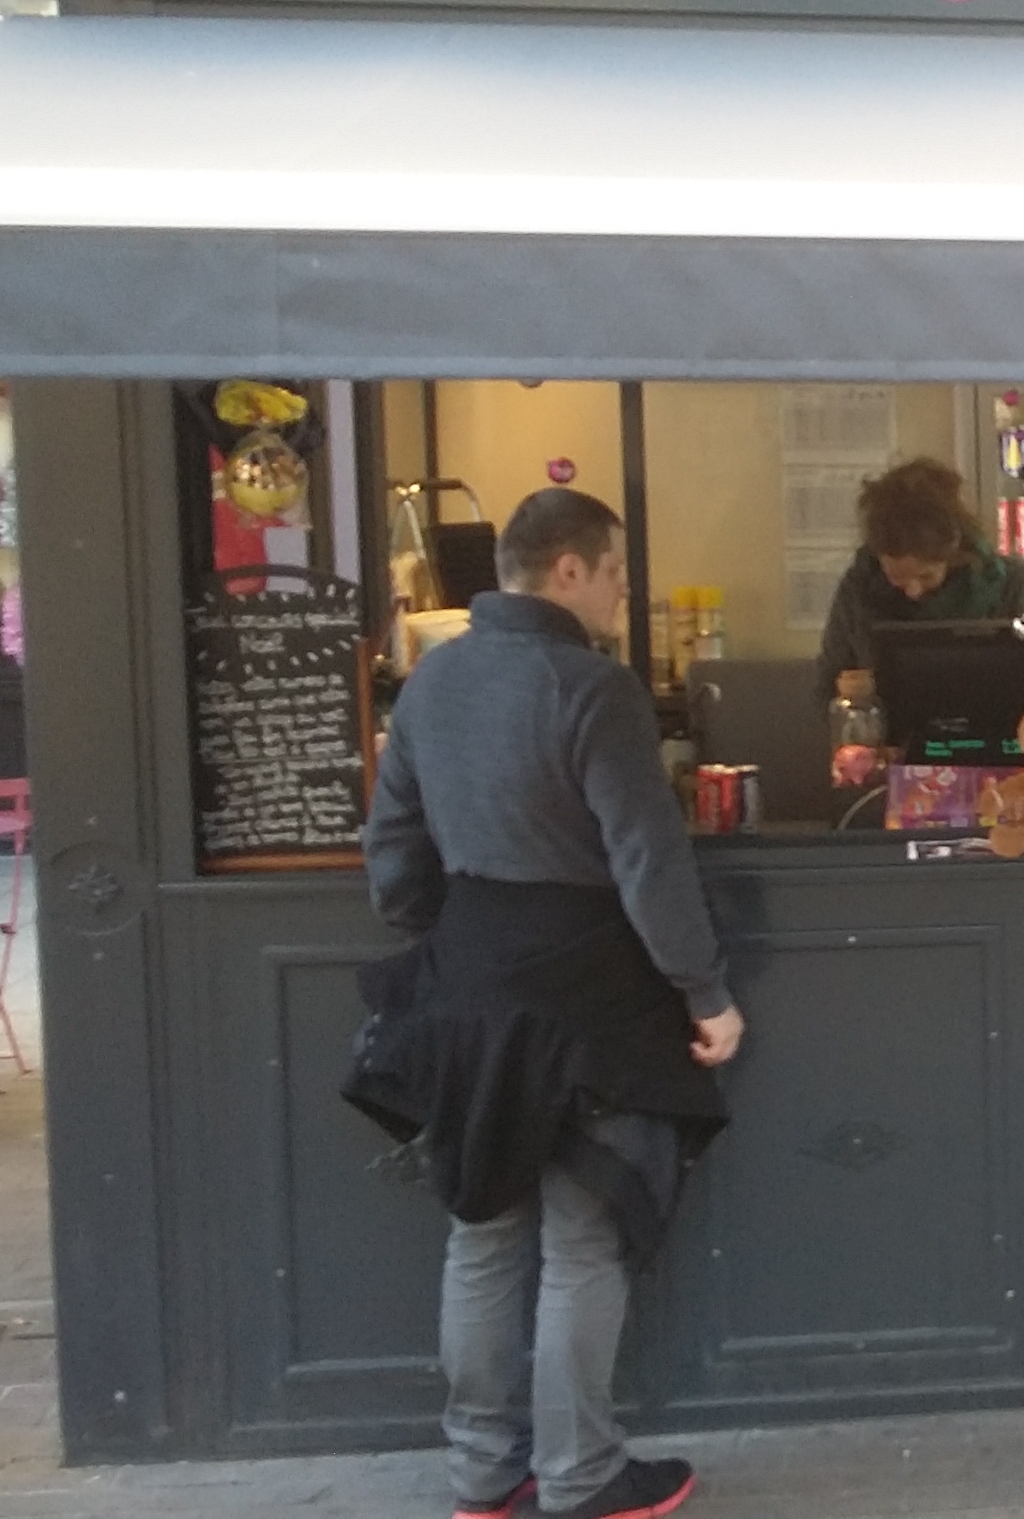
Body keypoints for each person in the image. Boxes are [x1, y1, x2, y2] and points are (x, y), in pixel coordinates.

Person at [347, 488, 743, 1519]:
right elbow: (646, 858)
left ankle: (481, 1474)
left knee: (481, 1227)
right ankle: (580, 1476)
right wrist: (703, 990)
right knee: (581, 1239)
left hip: (470, 978)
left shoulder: (431, 682)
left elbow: (393, 854)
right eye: (614, 572)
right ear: (569, 569)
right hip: (587, 996)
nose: (621, 591)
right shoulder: (595, 689)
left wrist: (450, 932)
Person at [815, 456, 1023, 700]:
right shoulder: (859, 588)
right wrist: (850, 695)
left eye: (926, 576)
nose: (913, 591)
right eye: (896, 576)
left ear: (954, 554)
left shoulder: (1010, 586)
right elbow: (828, 682)